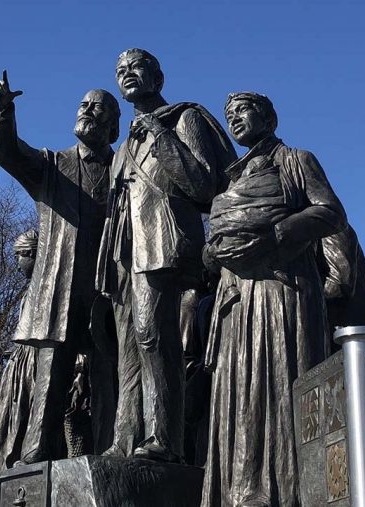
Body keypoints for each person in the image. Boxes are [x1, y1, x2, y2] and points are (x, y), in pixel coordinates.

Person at [201, 92, 346, 506]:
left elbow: (330, 212)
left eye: (243, 111)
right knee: (239, 392)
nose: (235, 120)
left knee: (277, 384)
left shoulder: (297, 160)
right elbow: (213, 246)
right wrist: (213, 252)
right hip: (237, 300)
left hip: (280, 293)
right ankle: (239, 489)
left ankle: (283, 492)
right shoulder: (231, 179)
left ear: (268, 117)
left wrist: (275, 234)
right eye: (229, 115)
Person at [96, 48, 236, 463]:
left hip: (162, 242)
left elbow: (206, 186)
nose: (127, 75)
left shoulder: (182, 119)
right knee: (129, 347)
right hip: (125, 251)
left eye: (136, 68)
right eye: (120, 71)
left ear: (158, 77)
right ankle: (124, 439)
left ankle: (165, 439)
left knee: (155, 338)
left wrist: (161, 136)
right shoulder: (124, 144)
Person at [0, 71, 120, 463]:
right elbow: (9, 153)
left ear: (113, 125)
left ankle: (105, 453)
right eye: (83, 104)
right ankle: (36, 455)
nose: (87, 111)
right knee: (50, 382)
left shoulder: (125, 170)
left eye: (97, 107)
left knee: (107, 381)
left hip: (109, 290)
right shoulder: (53, 164)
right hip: (59, 289)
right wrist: (4, 110)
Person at [0, 230, 39, 472]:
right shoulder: (29, 292)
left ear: (31, 254)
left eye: (19, 256)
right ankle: (3, 462)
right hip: (19, 364)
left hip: (32, 364)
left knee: (19, 417)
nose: (18, 265)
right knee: (5, 418)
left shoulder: (44, 289)